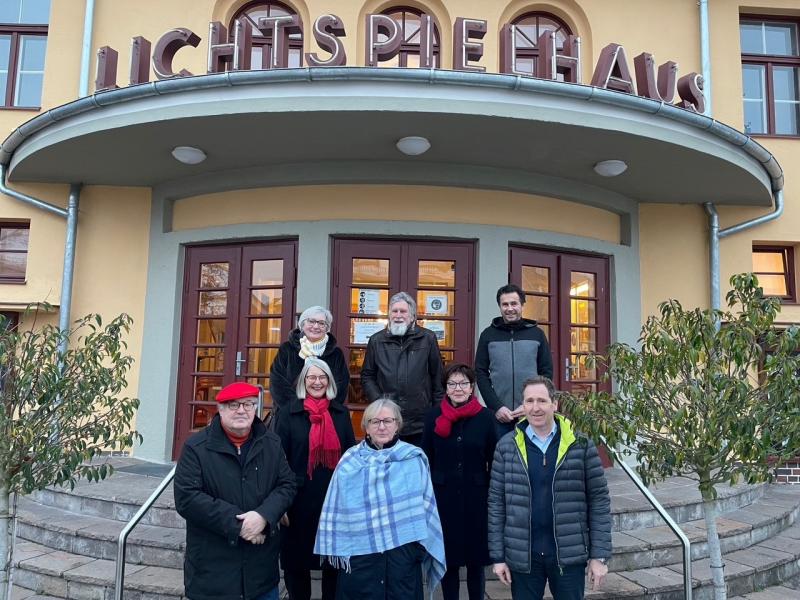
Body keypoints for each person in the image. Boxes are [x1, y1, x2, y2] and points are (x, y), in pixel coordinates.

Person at [488, 376, 611, 600]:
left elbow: (599, 500)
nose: (535, 408)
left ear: (554, 404)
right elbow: (496, 504)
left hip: (568, 555)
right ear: (522, 406)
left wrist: (599, 555)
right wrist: (498, 557)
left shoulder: (580, 444)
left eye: (542, 401)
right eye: (529, 401)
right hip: (523, 557)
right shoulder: (506, 447)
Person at [174, 382, 297, 600]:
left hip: (261, 576)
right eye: (233, 405)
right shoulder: (196, 448)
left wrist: (263, 516)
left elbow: (286, 485)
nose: (242, 410)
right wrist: (239, 525)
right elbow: (187, 498)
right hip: (213, 577)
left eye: (248, 404)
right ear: (220, 409)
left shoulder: (271, 443)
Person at [314, 398, 446, 600]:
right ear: (366, 427)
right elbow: (337, 508)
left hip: (402, 555)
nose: (382, 426)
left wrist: (416, 550)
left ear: (397, 425)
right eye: (375, 422)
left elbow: (426, 507)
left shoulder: (413, 459)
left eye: (388, 421)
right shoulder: (350, 460)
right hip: (360, 556)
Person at [274, 358, 356, 600]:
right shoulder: (288, 413)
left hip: (333, 500)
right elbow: (279, 459)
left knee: (333, 564)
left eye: (322, 377)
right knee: (297, 566)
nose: (317, 382)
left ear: (329, 381)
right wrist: (280, 504)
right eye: (312, 377)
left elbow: (350, 457)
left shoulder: (340, 414)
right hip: (297, 501)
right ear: (304, 382)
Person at [422, 363, 496, 600]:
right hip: (443, 497)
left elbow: (494, 457)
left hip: (476, 496)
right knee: (449, 560)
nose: (458, 388)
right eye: (452, 384)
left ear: (472, 387)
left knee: (476, 561)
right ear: (445, 387)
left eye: (463, 383)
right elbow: (426, 456)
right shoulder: (433, 416)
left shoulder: (485, 417)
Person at [360, 291, 444, 446]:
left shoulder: (428, 338)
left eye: (403, 311)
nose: (398, 315)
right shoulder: (377, 340)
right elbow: (367, 376)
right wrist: (381, 402)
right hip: (386, 422)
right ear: (389, 315)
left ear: (412, 316)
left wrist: (437, 412)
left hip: (420, 422)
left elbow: (437, 377)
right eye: (394, 311)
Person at [475, 283, 554, 436]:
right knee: (500, 457)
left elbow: (546, 373)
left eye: (514, 303)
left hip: (532, 414)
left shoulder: (537, 334)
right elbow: (481, 372)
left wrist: (531, 404)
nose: (509, 308)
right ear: (499, 306)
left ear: (522, 305)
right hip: (499, 416)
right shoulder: (488, 335)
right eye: (505, 304)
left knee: (531, 458)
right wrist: (496, 406)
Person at [270, 306, 350, 414]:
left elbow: (340, 385)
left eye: (322, 323)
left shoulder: (336, 354)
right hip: (290, 413)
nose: (316, 326)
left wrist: (320, 409)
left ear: (327, 328)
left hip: (324, 414)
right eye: (311, 321)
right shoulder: (287, 349)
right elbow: (277, 383)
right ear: (302, 325)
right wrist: (298, 408)